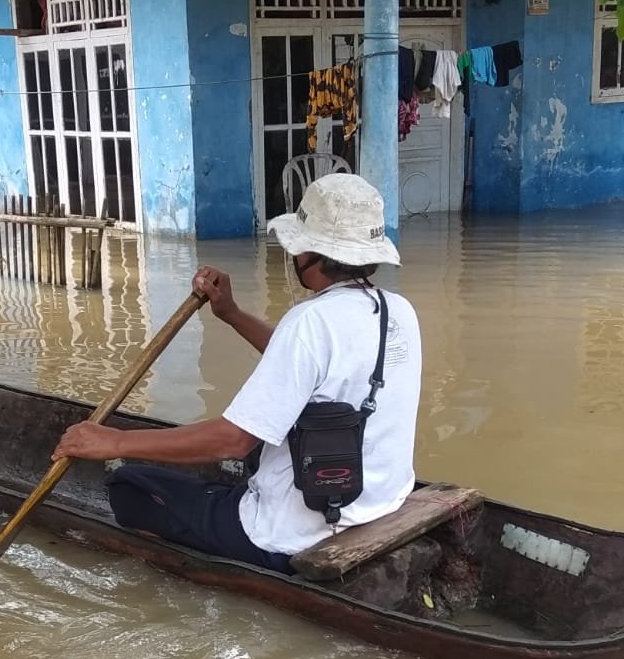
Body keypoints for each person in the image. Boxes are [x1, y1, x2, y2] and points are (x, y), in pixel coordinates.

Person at [54, 173, 421, 572]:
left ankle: (186, 569)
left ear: (312, 255)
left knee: (129, 486)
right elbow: (305, 365)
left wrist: (115, 442)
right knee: (252, 463)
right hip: (381, 503)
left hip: (289, 534)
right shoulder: (396, 311)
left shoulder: (310, 321)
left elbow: (234, 440)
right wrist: (231, 314)